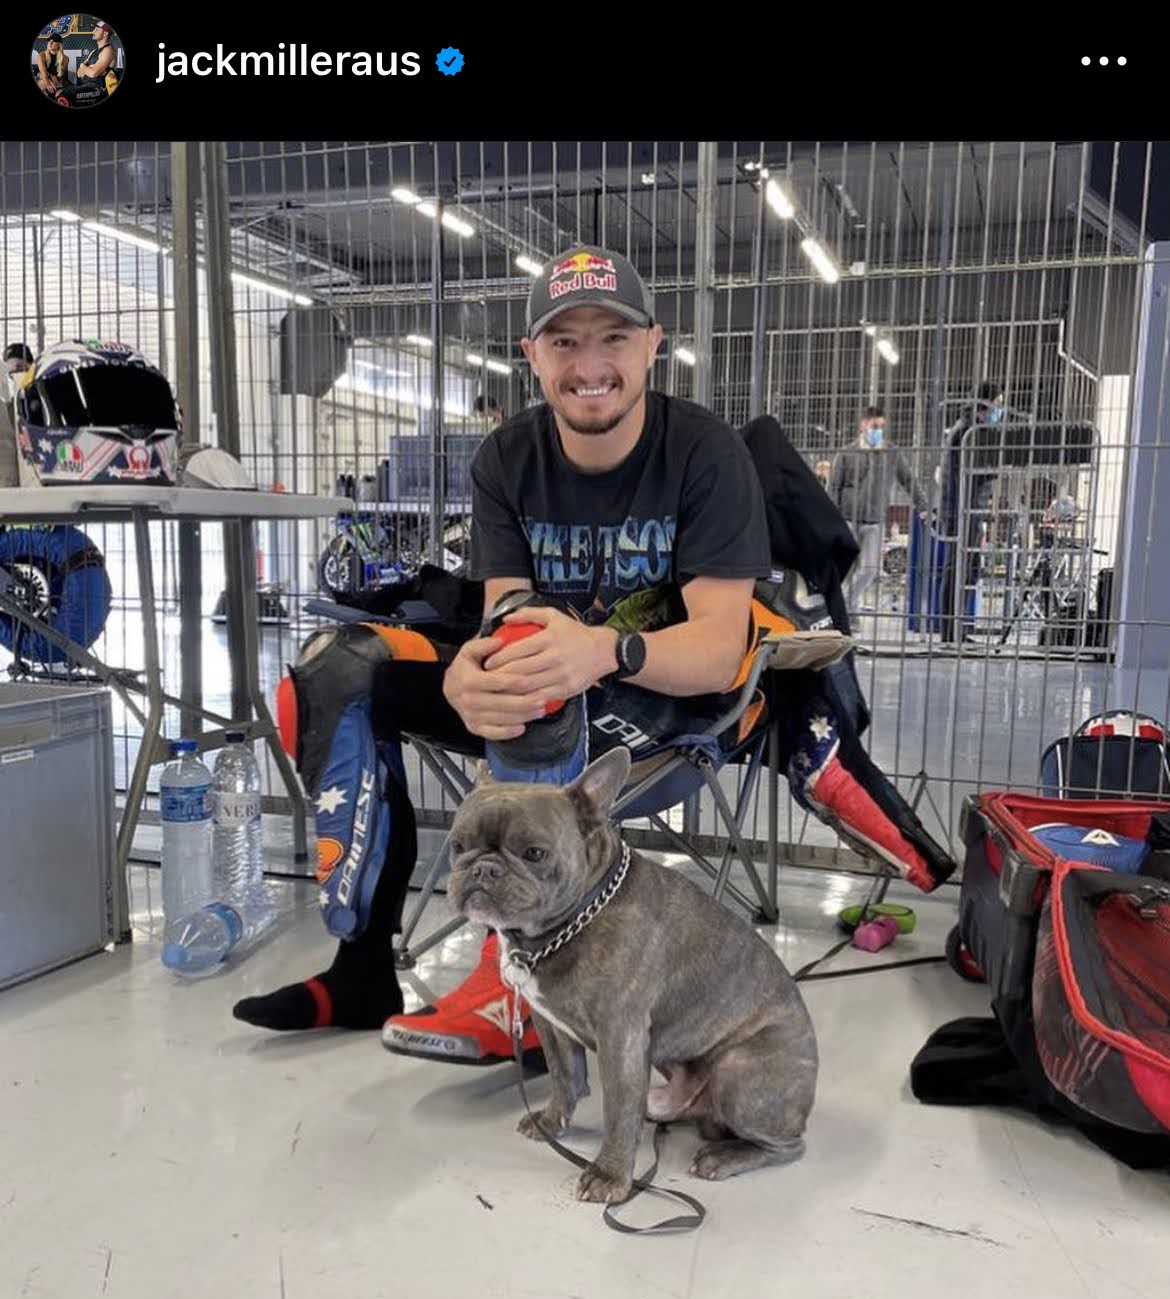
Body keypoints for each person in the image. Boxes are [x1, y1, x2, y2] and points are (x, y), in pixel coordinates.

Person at [233, 244, 774, 1067]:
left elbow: (716, 652)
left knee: (536, 681)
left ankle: (514, 988)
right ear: (532, 354)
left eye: (613, 338)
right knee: (343, 671)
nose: (588, 365)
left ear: (652, 345)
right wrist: (467, 671)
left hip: (669, 701)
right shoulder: (506, 458)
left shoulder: (706, 454)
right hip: (554, 684)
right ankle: (361, 967)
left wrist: (601, 650)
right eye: (564, 341)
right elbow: (506, 614)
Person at [828, 405, 928, 618]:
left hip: (875, 521)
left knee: (870, 569)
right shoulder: (846, 453)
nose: (878, 431)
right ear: (863, 425)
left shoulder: (892, 453)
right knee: (846, 570)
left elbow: (908, 480)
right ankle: (849, 617)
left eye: (882, 427)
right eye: (875, 426)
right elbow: (833, 487)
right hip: (847, 519)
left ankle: (845, 602)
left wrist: (923, 506)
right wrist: (831, 517)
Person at [938, 380, 1004, 643]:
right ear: (985, 404)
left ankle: (956, 629)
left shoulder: (972, 428)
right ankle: (950, 632)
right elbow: (972, 474)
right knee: (958, 569)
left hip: (969, 508)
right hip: (961, 509)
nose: (1000, 410)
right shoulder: (967, 431)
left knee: (968, 570)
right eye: (998, 404)